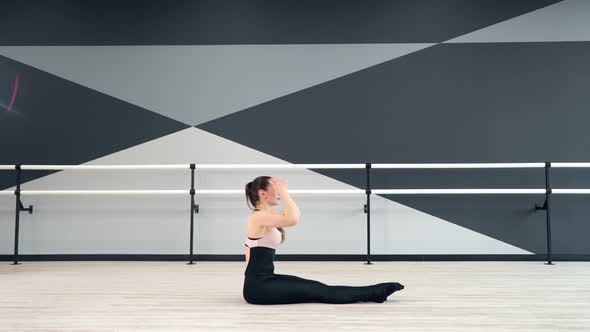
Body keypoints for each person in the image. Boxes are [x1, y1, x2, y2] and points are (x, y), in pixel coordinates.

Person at [242, 176, 404, 305]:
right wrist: (284, 191)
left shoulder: (267, 217)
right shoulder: (258, 217)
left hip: (265, 281)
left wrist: (281, 191)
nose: (278, 192)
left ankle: (373, 293)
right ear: (263, 194)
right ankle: (375, 294)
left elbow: (250, 248)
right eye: (274, 189)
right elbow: (293, 218)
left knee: (316, 286)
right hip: (259, 289)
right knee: (318, 292)